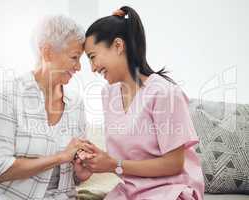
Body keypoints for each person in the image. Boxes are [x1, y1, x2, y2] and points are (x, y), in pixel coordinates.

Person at [0, 15, 94, 200]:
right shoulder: (8, 95)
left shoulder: (76, 104)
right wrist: (60, 157)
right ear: (47, 52)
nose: (79, 67)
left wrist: (80, 174)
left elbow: (68, 175)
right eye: (74, 57)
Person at [81, 6, 205, 200]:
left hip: (169, 190)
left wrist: (114, 164)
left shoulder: (164, 93)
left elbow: (173, 163)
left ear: (118, 46)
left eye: (92, 57)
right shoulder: (109, 94)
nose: (92, 68)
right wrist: (100, 160)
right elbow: (131, 155)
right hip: (131, 191)